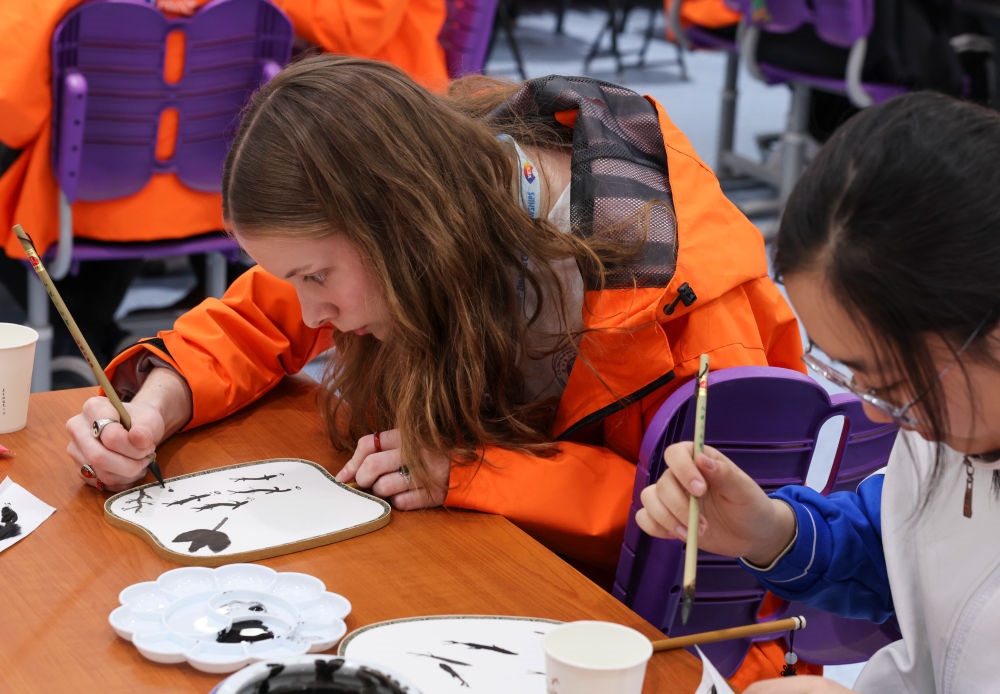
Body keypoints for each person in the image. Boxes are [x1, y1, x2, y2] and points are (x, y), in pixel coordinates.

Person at [67, 54, 805, 682]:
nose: (311, 310)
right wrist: (157, 401)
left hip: (661, 649)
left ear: (401, 232)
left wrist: (483, 471)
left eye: (317, 276)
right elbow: (259, 317)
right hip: (508, 586)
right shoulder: (445, 185)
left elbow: (713, 524)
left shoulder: (688, 307)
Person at [637, 89, 1000, 692]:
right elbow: (908, 546)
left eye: (892, 383)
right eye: (849, 375)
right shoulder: (956, 423)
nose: (873, 412)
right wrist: (774, 531)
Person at [0, 0, 447, 382]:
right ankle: (100, 332)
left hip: (361, 145)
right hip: (217, 185)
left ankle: (84, 332)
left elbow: (12, 111)